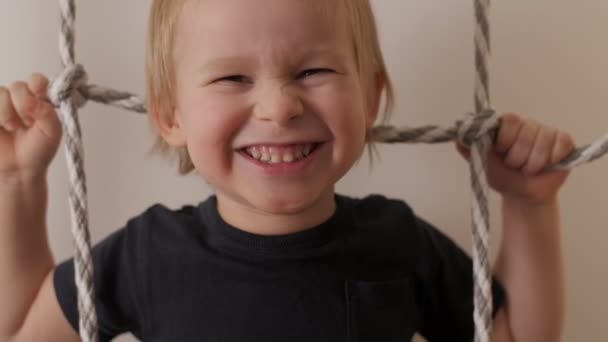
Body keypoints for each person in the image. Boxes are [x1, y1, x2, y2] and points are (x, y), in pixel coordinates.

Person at [0, 0, 574, 341]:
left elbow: (516, 336)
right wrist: (19, 185)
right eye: (232, 78)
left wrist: (529, 204)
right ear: (169, 114)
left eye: (314, 70)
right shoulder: (147, 254)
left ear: (371, 97)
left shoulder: (396, 241)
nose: (279, 107)